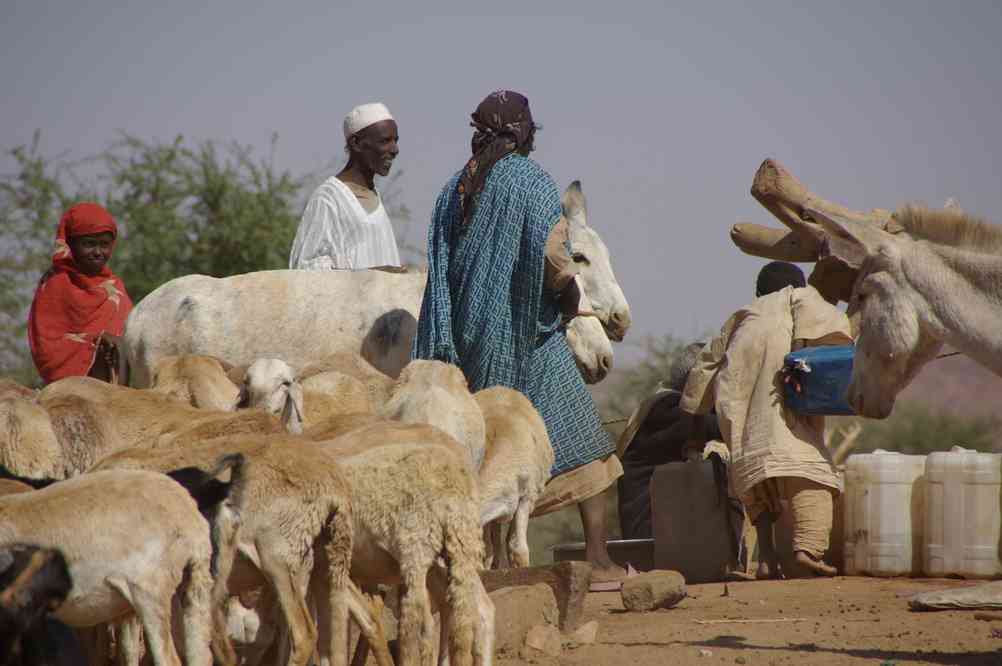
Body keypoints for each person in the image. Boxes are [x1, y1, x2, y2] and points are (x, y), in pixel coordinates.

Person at [413, 90, 626, 587]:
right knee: (589, 447)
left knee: (483, 451)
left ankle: (478, 564)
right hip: (525, 336)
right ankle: (596, 556)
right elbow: (554, 259)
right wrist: (567, 298)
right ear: (518, 132)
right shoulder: (530, 180)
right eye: (529, 126)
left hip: (464, 339)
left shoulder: (453, 189)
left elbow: (441, 264)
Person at [680, 261, 853, 578]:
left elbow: (704, 368)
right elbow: (837, 333)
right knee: (811, 471)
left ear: (758, 291)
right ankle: (808, 550)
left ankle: (767, 558)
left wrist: (693, 427)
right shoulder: (800, 297)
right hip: (786, 401)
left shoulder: (743, 314)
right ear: (797, 285)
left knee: (757, 475)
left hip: (741, 408)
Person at [27, 202, 133, 385]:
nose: (98, 252)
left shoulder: (115, 287)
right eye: (88, 244)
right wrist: (97, 343)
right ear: (70, 244)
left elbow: (132, 336)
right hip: (71, 391)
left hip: (119, 391)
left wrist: (120, 345)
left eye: (105, 245)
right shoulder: (56, 284)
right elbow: (46, 346)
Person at [289, 102, 402, 270]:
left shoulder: (374, 196)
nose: (395, 149)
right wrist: (367, 276)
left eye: (396, 140)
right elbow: (306, 268)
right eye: (385, 141)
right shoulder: (329, 198)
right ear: (356, 143)